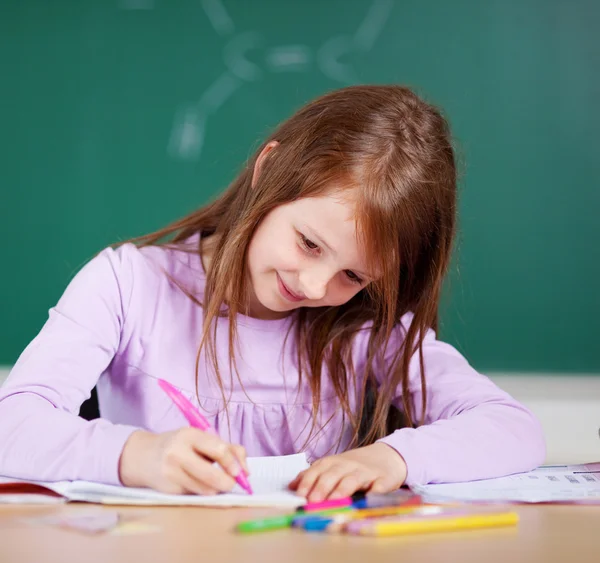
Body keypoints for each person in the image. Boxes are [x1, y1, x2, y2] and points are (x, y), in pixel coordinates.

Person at [0, 85, 545, 502]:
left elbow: (513, 429)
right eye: (308, 243)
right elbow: (13, 426)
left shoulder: (360, 327)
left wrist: (394, 457)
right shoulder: (126, 285)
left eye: (353, 277)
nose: (313, 287)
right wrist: (134, 454)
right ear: (270, 170)